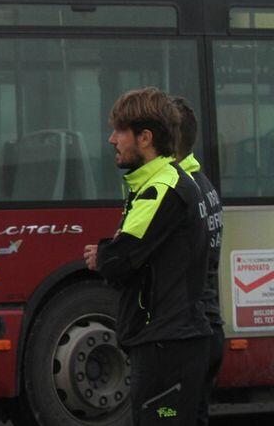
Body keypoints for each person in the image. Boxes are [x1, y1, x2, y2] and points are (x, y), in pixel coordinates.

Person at [82, 87, 210, 426]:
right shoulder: (171, 181)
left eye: (119, 131)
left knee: (161, 418)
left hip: (165, 346)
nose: (112, 140)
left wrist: (103, 255)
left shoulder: (160, 189)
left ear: (145, 138)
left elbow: (120, 260)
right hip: (175, 341)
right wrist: (111, 252)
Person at [171, 96, 225, 426]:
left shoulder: (178, 191)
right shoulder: (204, 185)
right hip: (210, 328)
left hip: (187, 339)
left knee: (164, 416)